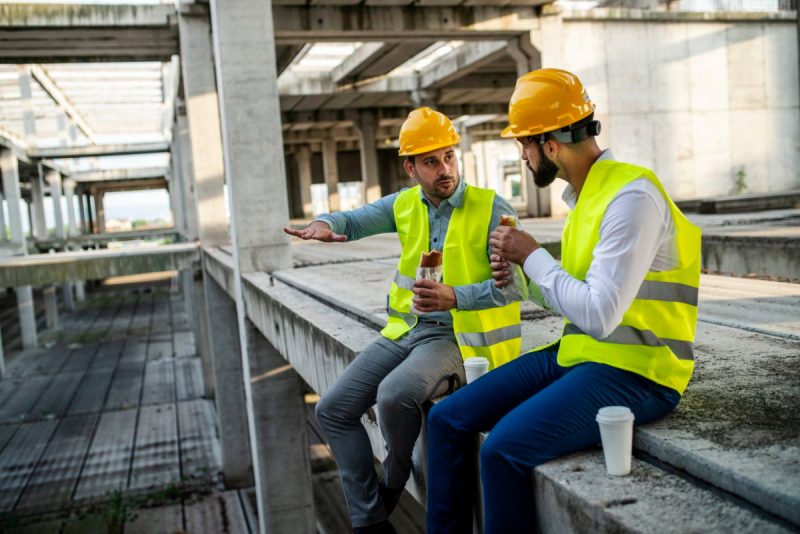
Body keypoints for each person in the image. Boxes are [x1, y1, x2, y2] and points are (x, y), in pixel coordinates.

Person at [425, 68, 701, 533]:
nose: (524, 157)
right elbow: (575, 298)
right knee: (448, 418)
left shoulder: (632, 198)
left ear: (549, 144)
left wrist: (531, 256)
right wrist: (519, 276)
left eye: (523, 146)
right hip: (583, 355)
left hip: (641, 373)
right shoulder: (586, 198)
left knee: (502, 450)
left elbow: (598, 313)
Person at [284, 107, 524, 534]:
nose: (444, 169)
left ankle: (394, 479)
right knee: (333, 409)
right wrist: (322, 224)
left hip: (460, 338)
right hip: (405, 331)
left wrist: (455, 297)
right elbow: (353, 220)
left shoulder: (491, 207)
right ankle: (370, 521)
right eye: (431, 161)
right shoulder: (405, 204)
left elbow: (514, 288)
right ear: (410, 167)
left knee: (394, 395)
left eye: (449, 156)